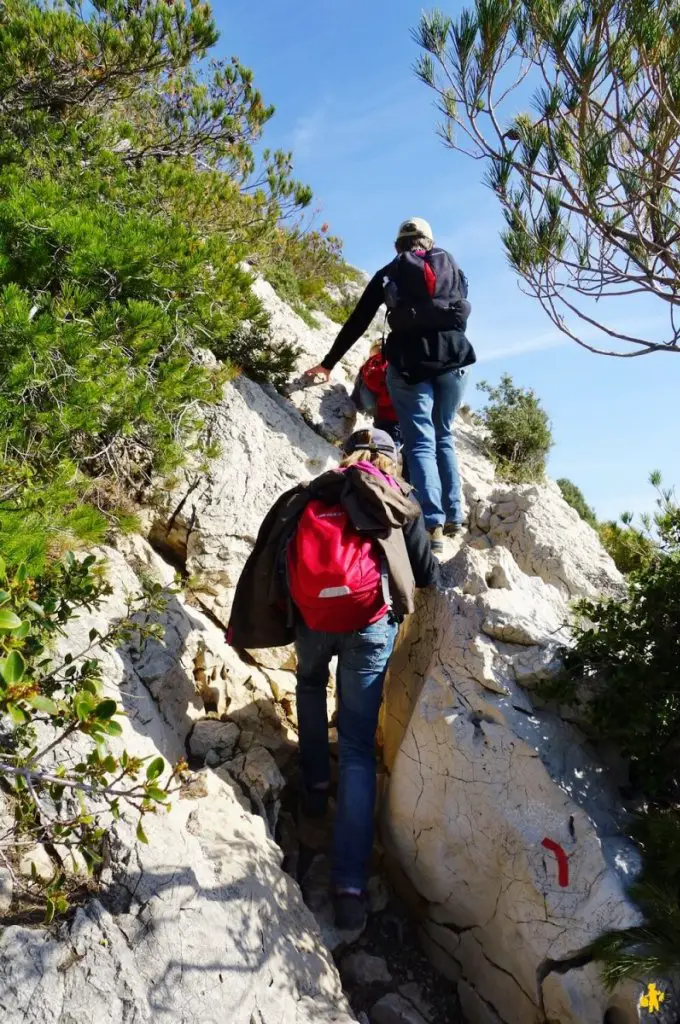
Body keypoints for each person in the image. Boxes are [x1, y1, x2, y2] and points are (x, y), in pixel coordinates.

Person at [227, 428, 437, 931]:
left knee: (308, 686)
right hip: (369, 625)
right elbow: (426, 574)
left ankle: (315, 785)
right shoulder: (396, 495)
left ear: (349, 454)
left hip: (313, 621)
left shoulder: (315, 491)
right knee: (361, 749)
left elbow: (278, 556)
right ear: (391, 459)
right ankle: (347, 885)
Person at [304, 217, 476, 553]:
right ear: (429, 242)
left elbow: (359, 321)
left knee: (420, 442)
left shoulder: (390, 271)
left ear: (399, 245)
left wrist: (328, 363)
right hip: (455, 359)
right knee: (444, 435)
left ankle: (432, 525)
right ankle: (455, 514)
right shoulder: (451, 265)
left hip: (410, 363)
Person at [351, 342, 409, 482]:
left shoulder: (378, 363)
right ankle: (391, 477)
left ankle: (381, 478)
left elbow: (380, 388)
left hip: (387, 416)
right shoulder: (403, 364)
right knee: (393, 447)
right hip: (405, 417)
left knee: (385, 448)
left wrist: (379, 404)